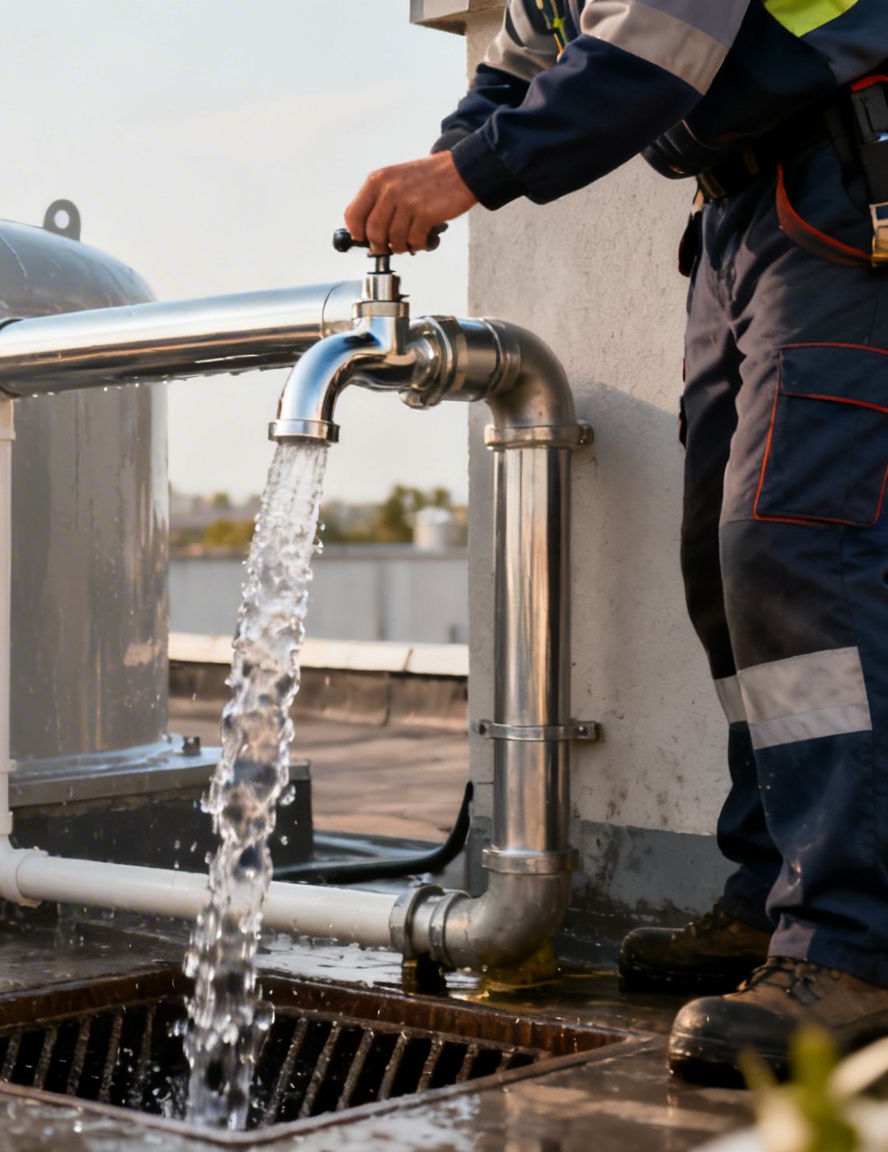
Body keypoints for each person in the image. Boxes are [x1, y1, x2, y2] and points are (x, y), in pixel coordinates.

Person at [346, 0, 888, 1082]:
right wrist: (447, 156)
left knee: (792, 546)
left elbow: (655, 41)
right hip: (743, 213)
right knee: (721, 569)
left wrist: (469, 176)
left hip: (840, 177)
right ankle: (771, 888)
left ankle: (849, 940)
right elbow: (527, 54)